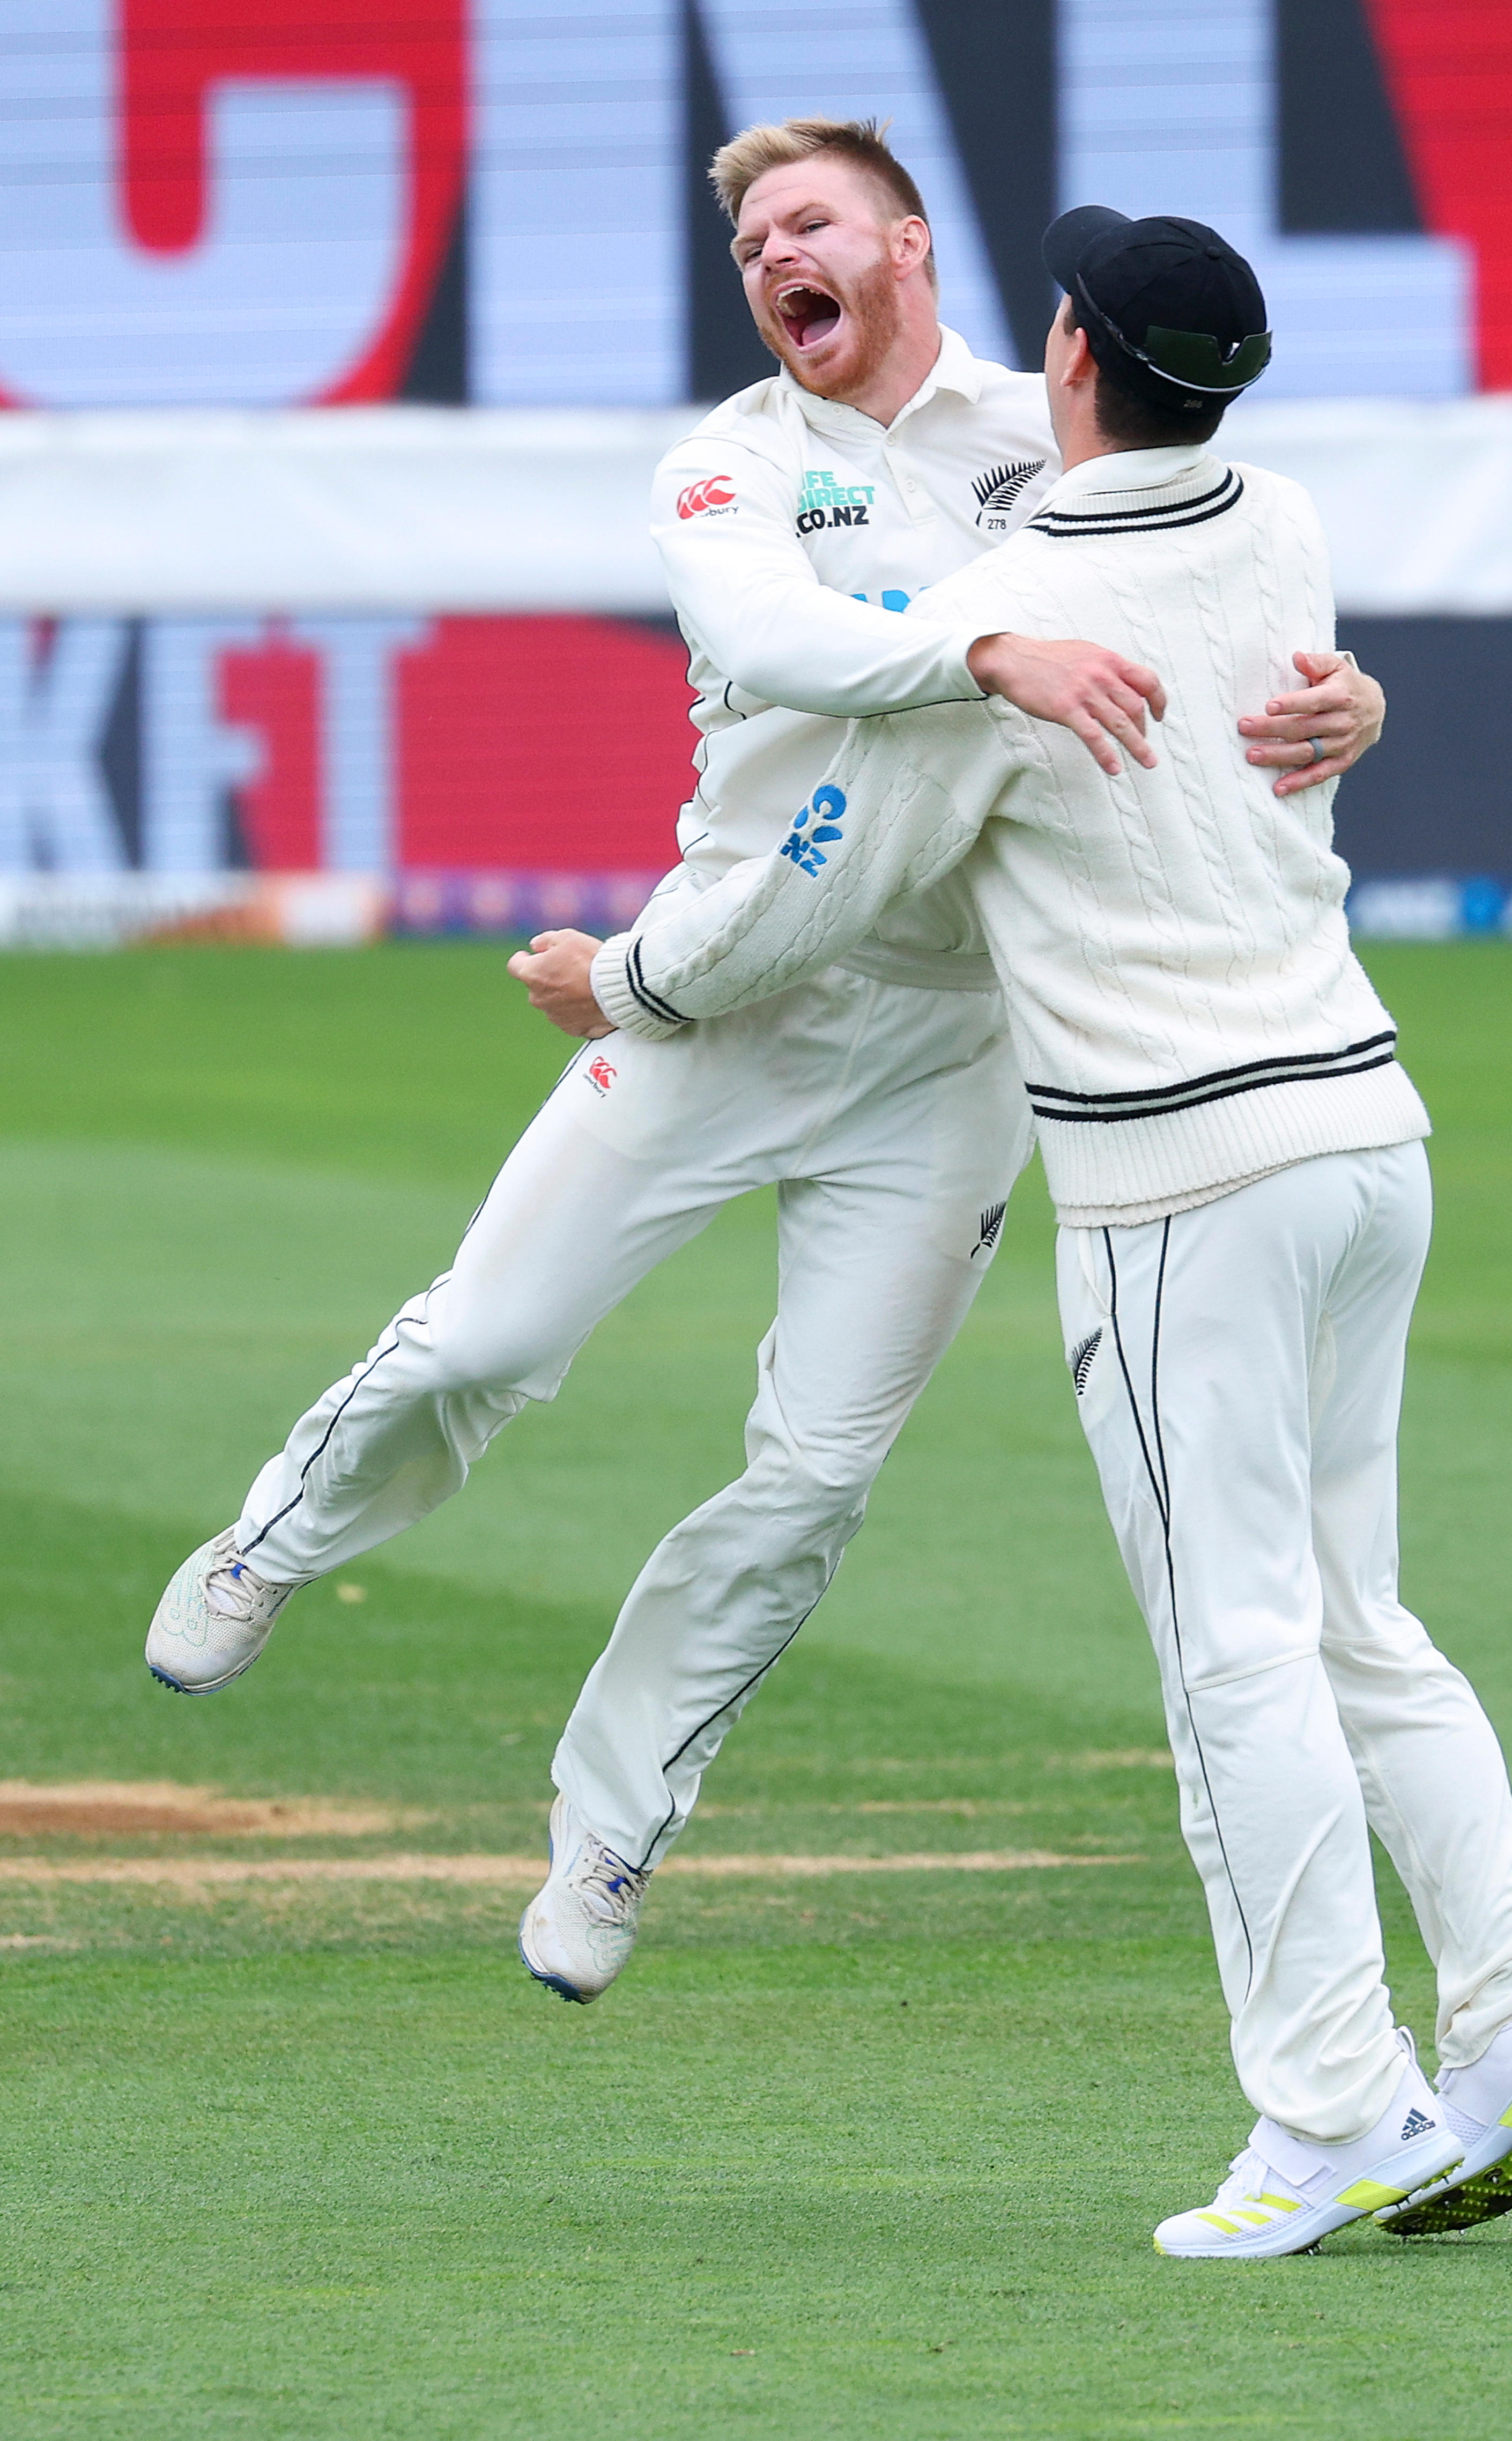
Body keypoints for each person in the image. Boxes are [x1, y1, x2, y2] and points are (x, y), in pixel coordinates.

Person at [141, 116, 1384, 2003]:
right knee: (484, 1340)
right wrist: (985, 655)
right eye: (748, 246)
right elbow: (772, 637)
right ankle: (275, 1542)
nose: (772, 259)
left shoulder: (1041, 438)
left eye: (808, 223)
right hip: (726, 985)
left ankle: (613, 1826)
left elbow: (1200, 604)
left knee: (811, 1480)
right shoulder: (729, 462)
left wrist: (1350, 700)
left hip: (956, 1048)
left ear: (909, 247)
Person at [550, 204, 1512, 2261]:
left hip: (1181, 1173)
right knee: (1355, 1617)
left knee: (1238, 1654)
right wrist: (1364, 706)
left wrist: (625, 981)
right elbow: (1289, 687)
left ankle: (1335, 2111)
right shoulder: (1282, 521)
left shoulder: (1006, 615)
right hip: (1365, 1127)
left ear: (1064, 358)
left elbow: (822, 889)